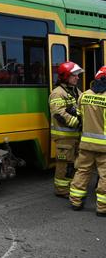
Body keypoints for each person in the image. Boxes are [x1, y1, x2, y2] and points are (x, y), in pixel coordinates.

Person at [69, 66, 106, 217]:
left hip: (86, 144)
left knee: (82, 171)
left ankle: (76, 201)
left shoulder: (84, 96)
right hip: (104, 147)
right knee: (105, 176)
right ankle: (102, 208)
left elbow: (78, 115)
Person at [48, 61, 83, 198]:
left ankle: (70, 186)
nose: (78, 78)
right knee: (64, 164)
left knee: (73, 163)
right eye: (74, 75)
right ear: (65, 76)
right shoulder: (57, 93)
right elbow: (59, 114)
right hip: (64, 136)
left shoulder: (75, 91)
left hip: (74, 135)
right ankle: (61, 190)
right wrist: (77, 122)